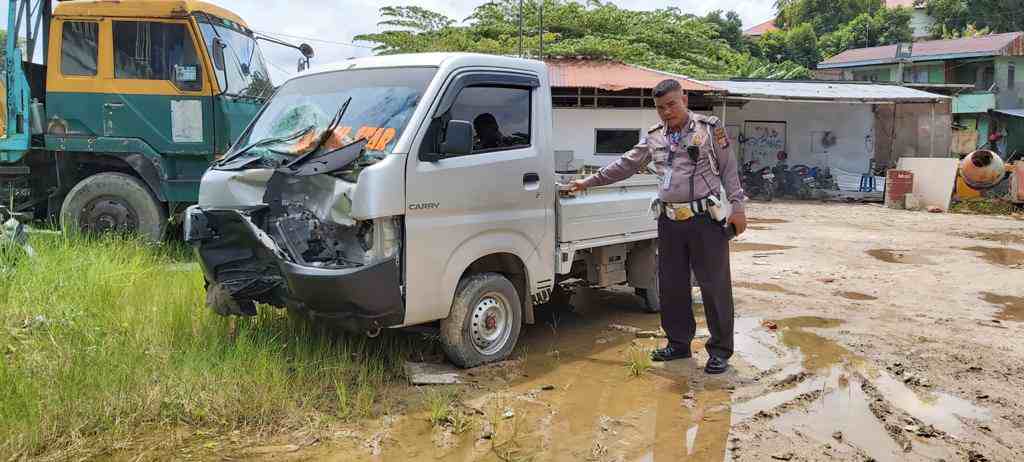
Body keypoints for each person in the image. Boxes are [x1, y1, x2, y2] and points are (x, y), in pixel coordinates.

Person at [568, 79, 747, 375]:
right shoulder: (654, 137)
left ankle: (719, 351)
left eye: (672, 104)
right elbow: (625, 164)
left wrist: (738, 207)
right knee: (672, 286)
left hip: (705, 221)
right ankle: (678, 344)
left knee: (714, 286)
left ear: (684, 99)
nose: (667, 112)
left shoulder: (709, 129)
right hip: (669, 221)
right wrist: (588, 182)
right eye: (661, 107)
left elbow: (729, 168)